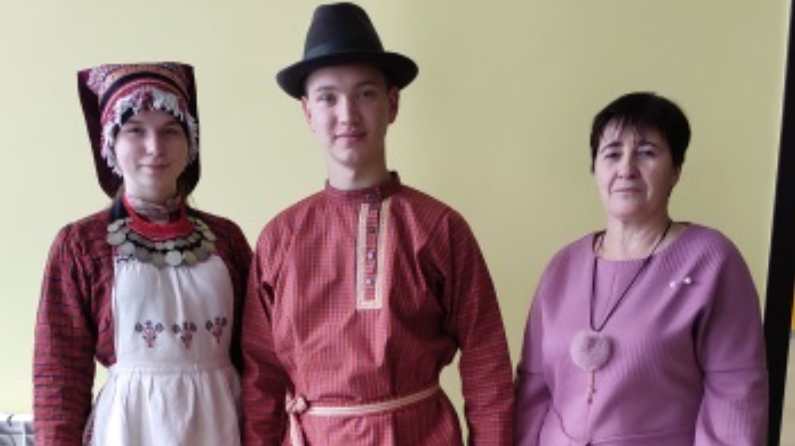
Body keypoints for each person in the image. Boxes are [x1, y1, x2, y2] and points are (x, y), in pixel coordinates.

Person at [241, 3, 514, 445]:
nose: (347, 114)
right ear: (308, 112)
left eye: (365, 93)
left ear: (392, 103)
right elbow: (260, 378)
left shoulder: (440, 228)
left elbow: (487, 363)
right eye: (328, 97)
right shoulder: (280, 238)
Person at [514, 92, 768, 445]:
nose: (626, 169)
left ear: (675, 170)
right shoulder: (563, 266)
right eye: (611, 154)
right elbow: (533, 386)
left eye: (647, 152)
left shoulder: (711, 260)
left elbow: (735, 393)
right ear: (595, 169)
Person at [33, 62, 252, 445]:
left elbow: (256, 355)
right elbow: (59, 374)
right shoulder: (80, 244)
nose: (155, 147)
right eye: (135, 130)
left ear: (191, 143)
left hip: (223, 428)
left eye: (170, 131)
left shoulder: (226, 239)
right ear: (110, 143)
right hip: (128, 430)